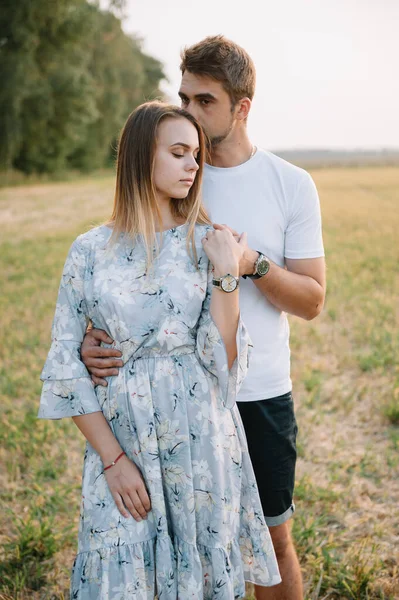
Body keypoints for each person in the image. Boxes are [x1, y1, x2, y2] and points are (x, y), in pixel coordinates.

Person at [81, 37, 326, 600]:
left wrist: (251, 264)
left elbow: (312, 300)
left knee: (270, 541)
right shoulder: (171, 171)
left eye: (205, 101)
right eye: (184, 95)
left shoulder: (291, 184)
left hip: (258, 393)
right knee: (183, 545)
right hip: (175, 403)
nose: (188, 112)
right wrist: (92, 343)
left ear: (242, 107)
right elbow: (121, 276)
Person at [39, 101, 281, 599]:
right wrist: (112, 459)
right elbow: (64, 362)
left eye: (195, 154)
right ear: (138, 157)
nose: (194, 166)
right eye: (178, 152)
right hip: (123, 440)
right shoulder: (89, 250)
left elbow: (224, 362)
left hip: (201, 442)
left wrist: (227, 276)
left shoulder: (207, 243)